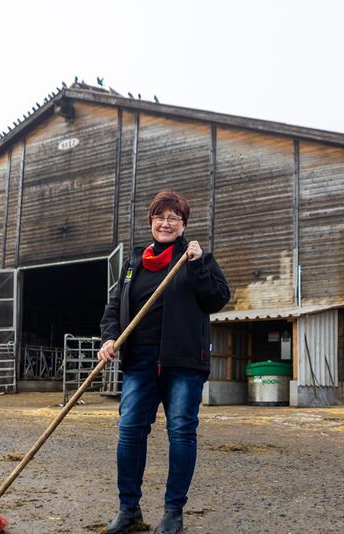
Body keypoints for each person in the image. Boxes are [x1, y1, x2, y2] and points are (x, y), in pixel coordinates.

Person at [98, 191, 230, 534]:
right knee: (129, 432)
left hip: (183, 362)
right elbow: (113, 309)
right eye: (160, 217)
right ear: (151, 221)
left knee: (181, 431)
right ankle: (129, 510)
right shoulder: (133, 265)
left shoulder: (196, 259)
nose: (166, 223)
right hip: (140, 361)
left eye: (174, 218)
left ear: (183, 224)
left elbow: (217, 298)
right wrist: (110, 338)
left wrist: (199, 264)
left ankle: (174, 512)